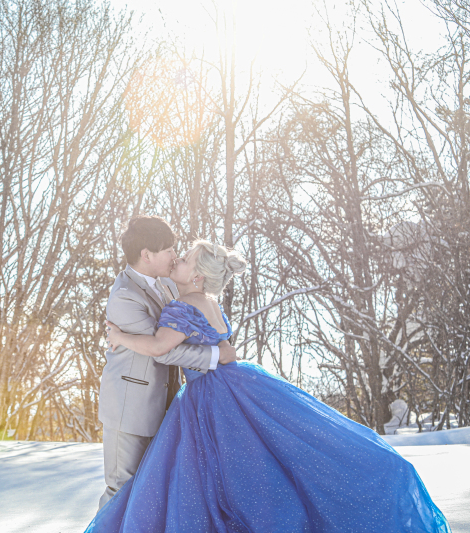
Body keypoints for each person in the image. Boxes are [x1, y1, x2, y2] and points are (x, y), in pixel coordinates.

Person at [86, 240, 451, 533]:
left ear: (196, 275)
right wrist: (219, 353)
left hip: (208, 397)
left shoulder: (183, 306)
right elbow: (218, 348)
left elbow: (159, 349)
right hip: (235, 384)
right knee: (260, 463)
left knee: (217, 477)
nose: (176, 261)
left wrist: (119, 337)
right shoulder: (209, 301)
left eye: (183, 259)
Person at [97, 217, 238, 511]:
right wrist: (215, 356)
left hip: (170, 406)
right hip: (131, 407)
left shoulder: (171, 287)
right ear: (147, 255)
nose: (175, 256)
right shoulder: (125, 296)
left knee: (156, 492)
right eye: (170, 250)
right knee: (121, 490)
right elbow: (162, 351)